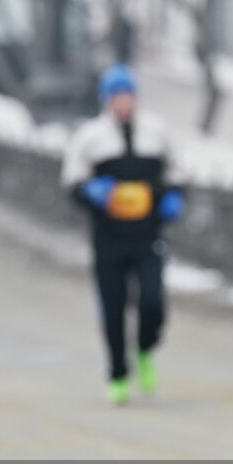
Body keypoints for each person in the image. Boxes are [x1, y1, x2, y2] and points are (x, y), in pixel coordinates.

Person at [61, 64, 184, 404]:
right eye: (117, 96)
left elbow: (176, 171)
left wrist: (173, 196)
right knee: (113, 307)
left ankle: (145, 348)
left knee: (152, 301)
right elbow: (72, 181)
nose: (123, 103)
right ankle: (117, 373)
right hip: (109, 236)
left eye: (127, 95)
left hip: (148, 234)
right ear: (107, 100)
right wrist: (90, 192)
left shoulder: (156, 132)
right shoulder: (91, 137)